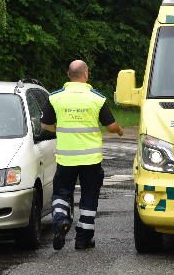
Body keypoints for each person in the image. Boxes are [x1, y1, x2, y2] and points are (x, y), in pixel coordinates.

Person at [41, 59, 124, 250]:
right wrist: (119, 130)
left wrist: (60, 129)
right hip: (91, 160)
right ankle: (83, 239)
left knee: (61, 193)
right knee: (89, 196)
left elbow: (45, 125)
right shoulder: (96, 98)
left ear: (68, 75)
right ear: (86, 74)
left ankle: (61, 220)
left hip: (66, 159)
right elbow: (110, 126)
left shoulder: (55, 98)